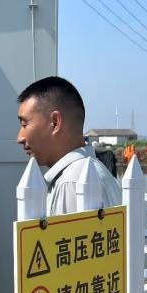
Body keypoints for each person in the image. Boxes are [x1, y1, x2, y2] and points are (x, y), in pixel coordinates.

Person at [16, 76, 121, 216]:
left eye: (24, 124)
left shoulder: (70, 182)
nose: (20, 138)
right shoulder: (97, 171)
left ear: (55, 122)